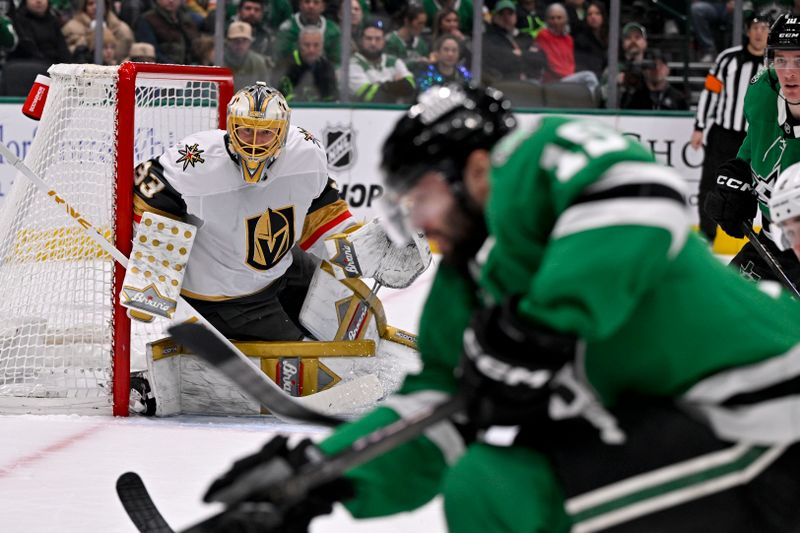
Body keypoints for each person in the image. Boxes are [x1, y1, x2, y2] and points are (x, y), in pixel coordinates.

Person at [199, 84, 800, 533]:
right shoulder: (466, 287)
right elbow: (431, 411)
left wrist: (537, 328)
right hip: (665, 431)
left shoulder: (543, 158)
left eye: (425, 195)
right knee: (488, 488)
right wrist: (318, 476)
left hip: (762, 418)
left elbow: (638, 196)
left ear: (479, 170)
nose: (421, 222)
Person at [131, 83, 356, 342]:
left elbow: (320, 207)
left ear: (282, 132)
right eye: (246, 131)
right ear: (231, 127)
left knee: (340, 299)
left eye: (265, 133)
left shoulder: (305, 152)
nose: (254, 144)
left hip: (281, 271)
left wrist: (358, 246)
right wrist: (155, 274)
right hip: (225, 300)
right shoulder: (197, 161)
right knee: (307, 359)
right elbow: (152, 193)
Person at [705, 12, 800, 284]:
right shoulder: (763, 94)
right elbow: (754, 143)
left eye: (799, 60)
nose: (789, 71)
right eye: (781, 59)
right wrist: (738, 175)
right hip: (769, 246)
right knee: (718, 316)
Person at [690, 11, 770, 243]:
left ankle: (759, 243)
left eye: (764, 28)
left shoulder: (774, 64)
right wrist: (699, 126)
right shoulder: (727, 58)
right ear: (747, 31)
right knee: (710, 185)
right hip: (723, 134)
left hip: (755, 137)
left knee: (758, 189)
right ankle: (706, 237)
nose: (759, 32)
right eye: (754, 27)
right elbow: (710, 92)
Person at [348, 17, 415, 103]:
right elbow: (370, 97)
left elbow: (411, 86)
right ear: (361, 40)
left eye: (378, 39)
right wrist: (397, 85)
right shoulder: (352, 65)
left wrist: (380, 86)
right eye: (369, 38)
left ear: (384, 41)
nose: (373, 43)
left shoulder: (394, 62)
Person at [534, 2, 598, 91]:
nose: (555, 21)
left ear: (565, 20)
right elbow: (551, 64)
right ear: (547, 21)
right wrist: (572, 77)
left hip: (568, 79)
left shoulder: (569, 39)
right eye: (552, 18)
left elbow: (570, 63)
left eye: (559, 18)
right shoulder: (543, 35)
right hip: (552, 82)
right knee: (589, 77)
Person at [482, 0, 545, 83]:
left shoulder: (525, 36)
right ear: (495, 17)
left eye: (510, 13)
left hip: (531, 85)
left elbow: (541, 59)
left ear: (515, 16)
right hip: (505, 84)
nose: (506, 17)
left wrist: (520, 53)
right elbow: (499, 61)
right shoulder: (489, 37)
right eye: (501, 14)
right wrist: (525, 55)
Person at [275, 26, 338, 102]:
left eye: (316, 45)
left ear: (322, 46)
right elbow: (279, 100)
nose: (311, 50)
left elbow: (331, 101)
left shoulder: (327, 67)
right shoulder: (285, 65)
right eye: (307, 45)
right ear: (299, 45)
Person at [61, 0, 133, 63]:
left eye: (99, 4)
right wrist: (88, 39)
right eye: (91, 3)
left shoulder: (122, 29)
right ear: (84, 6)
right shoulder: (71, 28)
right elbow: (64, 53)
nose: (95, 7)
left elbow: (128, 53)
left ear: (106, 6)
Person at [274, 0, 341, 65]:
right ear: (300, 4)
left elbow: (337, 62)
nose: (311, 6)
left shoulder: (333, 31)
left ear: (323, 7)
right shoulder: (287, 30)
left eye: (316, 2)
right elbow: (280, 60)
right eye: (307, 1)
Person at [134, 0, 201, 64]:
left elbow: (196, 47)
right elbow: (152, 53)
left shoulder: (188, 20)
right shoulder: (147, 20)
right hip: (162, 70)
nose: (171, 1)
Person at [622, 48, 689, 110]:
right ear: (644, 69)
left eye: (661, 65)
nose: (657, 69)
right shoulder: (635, 98)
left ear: (668, 70)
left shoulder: (678, 99)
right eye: (652, 65)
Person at [8, 0, 70, 64]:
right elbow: (30, 50)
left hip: (56, 66)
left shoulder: (53, 20)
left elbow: (63, 50)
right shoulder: (18, 20)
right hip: (31, 66)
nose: (39, 1)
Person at [223, 21, 269, 90]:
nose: (240, 45)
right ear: (228, 41)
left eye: (244, 40)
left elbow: (265, 92)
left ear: (250, 42)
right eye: (236, 40)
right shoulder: (219, 60)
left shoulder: (258, 62)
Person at [384, 4, 430, 73]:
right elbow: (390, 67)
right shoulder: (390, 41)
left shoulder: (421, 44)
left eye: (424, 24)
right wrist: (416, 63)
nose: (422, 27)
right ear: (407, 21)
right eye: (419, 23)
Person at [572, 0, 608, 79]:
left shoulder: (611, 37)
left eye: (597, 13)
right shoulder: (581, 40)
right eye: (589, 14)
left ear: (603, 16)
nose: (593, 17)